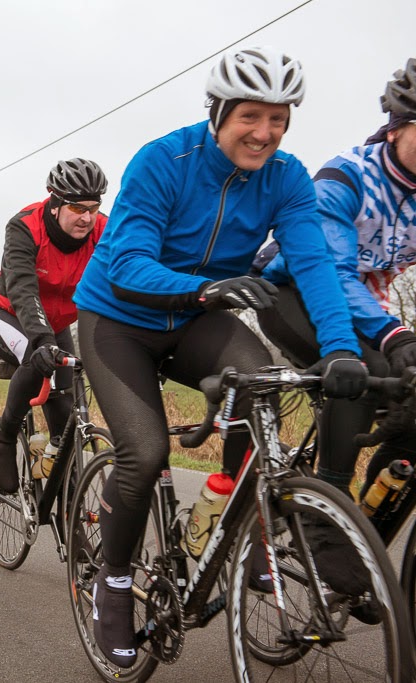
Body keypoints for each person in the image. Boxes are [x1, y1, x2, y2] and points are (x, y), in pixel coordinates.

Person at [71, 46, 368, 668]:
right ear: (219, 112)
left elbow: (315, 264)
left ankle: (241, 528)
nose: (264, 133)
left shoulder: (286, 178)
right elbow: (124, 265)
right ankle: (114, 583)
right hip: (119, 320)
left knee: (264, 388)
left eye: (279, 120)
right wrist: (204, 288)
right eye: (251, 117)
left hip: (200, 319)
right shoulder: (163, 161)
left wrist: (341, 349)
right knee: (145, 452)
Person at [254, 57, 416, 553]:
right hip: (294, 292)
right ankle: (328, 513)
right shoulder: (344, 178)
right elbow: (333, 271)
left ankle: (368, 539)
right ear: (394, 130)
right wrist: (396, 335)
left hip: (366, 306)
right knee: (360, 371)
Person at [0, 158, 108, 494]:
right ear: (54, 203)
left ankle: (59, 469)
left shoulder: (104, 231)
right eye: (78, 208)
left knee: (65, 405)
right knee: (36, 362)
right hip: (7, 314)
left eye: (93, 208)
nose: (87, 217)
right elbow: (23, 288)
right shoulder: (25, 226)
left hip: (58, 323)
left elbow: (122, 287)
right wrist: (41, 340)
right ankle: (6, 439)